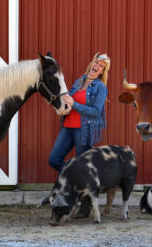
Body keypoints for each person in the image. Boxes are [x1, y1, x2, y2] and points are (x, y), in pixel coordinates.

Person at [48, 52, 111, 218]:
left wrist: (74, 104)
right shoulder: (79, 81)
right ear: (91, 64)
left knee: (83, 169)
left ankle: (86, 203)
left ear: (102, 72)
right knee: (54, 159)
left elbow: (96, 112)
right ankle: (74, 177)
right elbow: (67, 100)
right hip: (68, 126)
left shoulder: (100, 88)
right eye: (96, 62)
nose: (97, 66)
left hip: (84, 129)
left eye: (101, 66)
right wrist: (63, 107)